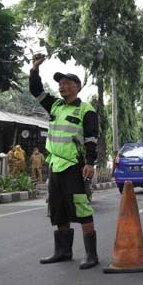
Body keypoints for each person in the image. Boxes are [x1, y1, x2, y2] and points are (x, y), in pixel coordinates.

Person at [30, 53, 99, 270]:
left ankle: (91, 254)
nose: (62, 86)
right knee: (58, 207)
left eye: (67, 83)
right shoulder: (55, 106)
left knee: (81, 207)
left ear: (77, 87)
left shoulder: (86, 109)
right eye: (60, 83)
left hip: (74, 166)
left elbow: (91, 138)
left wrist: (90, 162)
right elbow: (36, 91)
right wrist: (34, 69)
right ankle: (63, 251)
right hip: (55, 166)